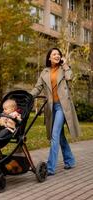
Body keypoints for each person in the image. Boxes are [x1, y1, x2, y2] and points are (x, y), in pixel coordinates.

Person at [30, 47, 80, 175]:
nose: (57, 56)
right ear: (49, 57)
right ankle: (70, 161)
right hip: (52, 108)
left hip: (63, 107)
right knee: (60, 136)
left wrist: (65, 64)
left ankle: (50, 168)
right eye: (54, 54)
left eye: (58, 54)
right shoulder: (45, 72)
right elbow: (38, 87)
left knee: (55, 135)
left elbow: (69, 77)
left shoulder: (63, 69)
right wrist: (29, 97)